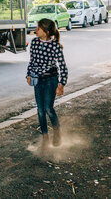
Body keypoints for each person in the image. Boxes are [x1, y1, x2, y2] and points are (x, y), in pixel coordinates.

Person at [27, 18, 69, 150]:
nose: (36, 30)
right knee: (40, 110)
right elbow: (32, 61)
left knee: (48, 108)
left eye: (38, 28)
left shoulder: (55, 45)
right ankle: (45, 137)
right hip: (37, 79)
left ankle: (57, 131)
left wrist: (61, 84)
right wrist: (28, 74)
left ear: (46, 31)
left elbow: (63, 66)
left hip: (51, 79)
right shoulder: (34, 43)